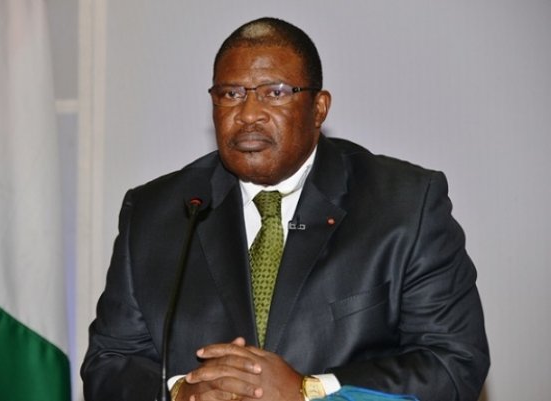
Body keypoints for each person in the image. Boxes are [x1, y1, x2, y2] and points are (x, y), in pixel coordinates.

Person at [81, 17, 489, 401]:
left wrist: (309, 390)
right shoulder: (157, 212)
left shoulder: (405, 205)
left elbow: (453, 362)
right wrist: (179, 393)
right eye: (231, 94)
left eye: (275, 92)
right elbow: (110, 362)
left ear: (319, 108)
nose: (248, 114)